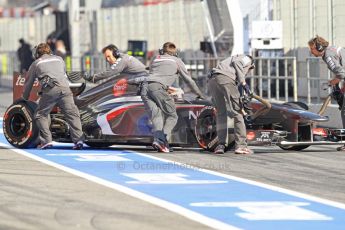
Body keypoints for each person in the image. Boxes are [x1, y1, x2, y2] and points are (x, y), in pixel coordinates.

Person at [141, 42, 205, 153]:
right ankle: (161, 140)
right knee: (172, 116)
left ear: (162, 51)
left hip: (145, 89)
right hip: (158, 88)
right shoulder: (177, 61)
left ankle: (160, 142)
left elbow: (154, 76)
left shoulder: (156, 59)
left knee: (157, 116)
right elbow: (189, 80)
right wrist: (200, 94)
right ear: (175, 53)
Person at [22, 43, 84, 150]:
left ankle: (46, 141)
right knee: (72, 114)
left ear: (37, 53)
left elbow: (29, 83)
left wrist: (25, 97)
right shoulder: (59, 59)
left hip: (50, 90)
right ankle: (78, 140)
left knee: (40, 114)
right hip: (65, 88)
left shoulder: (36, 63)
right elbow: (63, 74)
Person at [208, 54, 255, 154]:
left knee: (221, 113)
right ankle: (241, 146)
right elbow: (238, 63)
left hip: (213, 80)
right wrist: (243, 82)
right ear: (251, 65)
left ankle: (221, 145)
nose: (248, 72)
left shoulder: (229, 61)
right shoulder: (247, 59)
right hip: (225, 79)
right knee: (238, 113)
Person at [308, 35, 345, 151]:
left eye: (312, 49)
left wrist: (330, 83)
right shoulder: (331, 50)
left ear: (319, 48)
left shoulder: (328, 56)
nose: (311, 52)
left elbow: (342, 74)